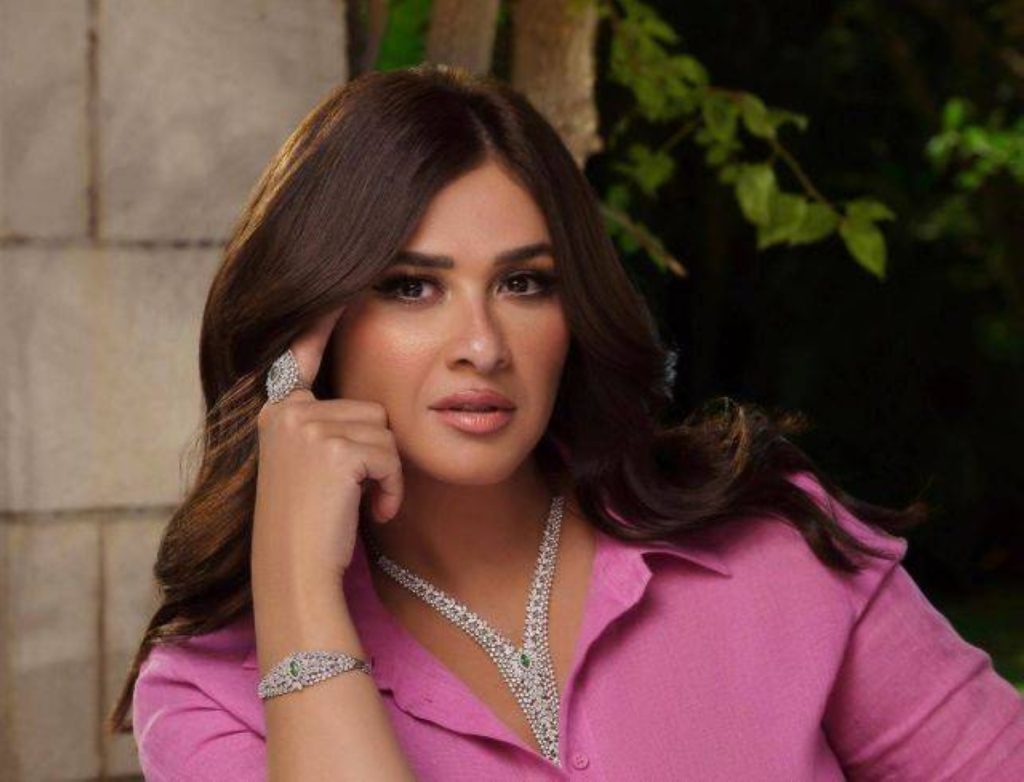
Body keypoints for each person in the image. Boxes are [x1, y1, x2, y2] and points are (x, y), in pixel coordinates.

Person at [107, 63, 1024, 781]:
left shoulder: (771, 543)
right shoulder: (209, 694)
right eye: (411, 287)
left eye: (523, 283)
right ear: (308, 328)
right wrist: (299, 594)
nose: (482, 345)